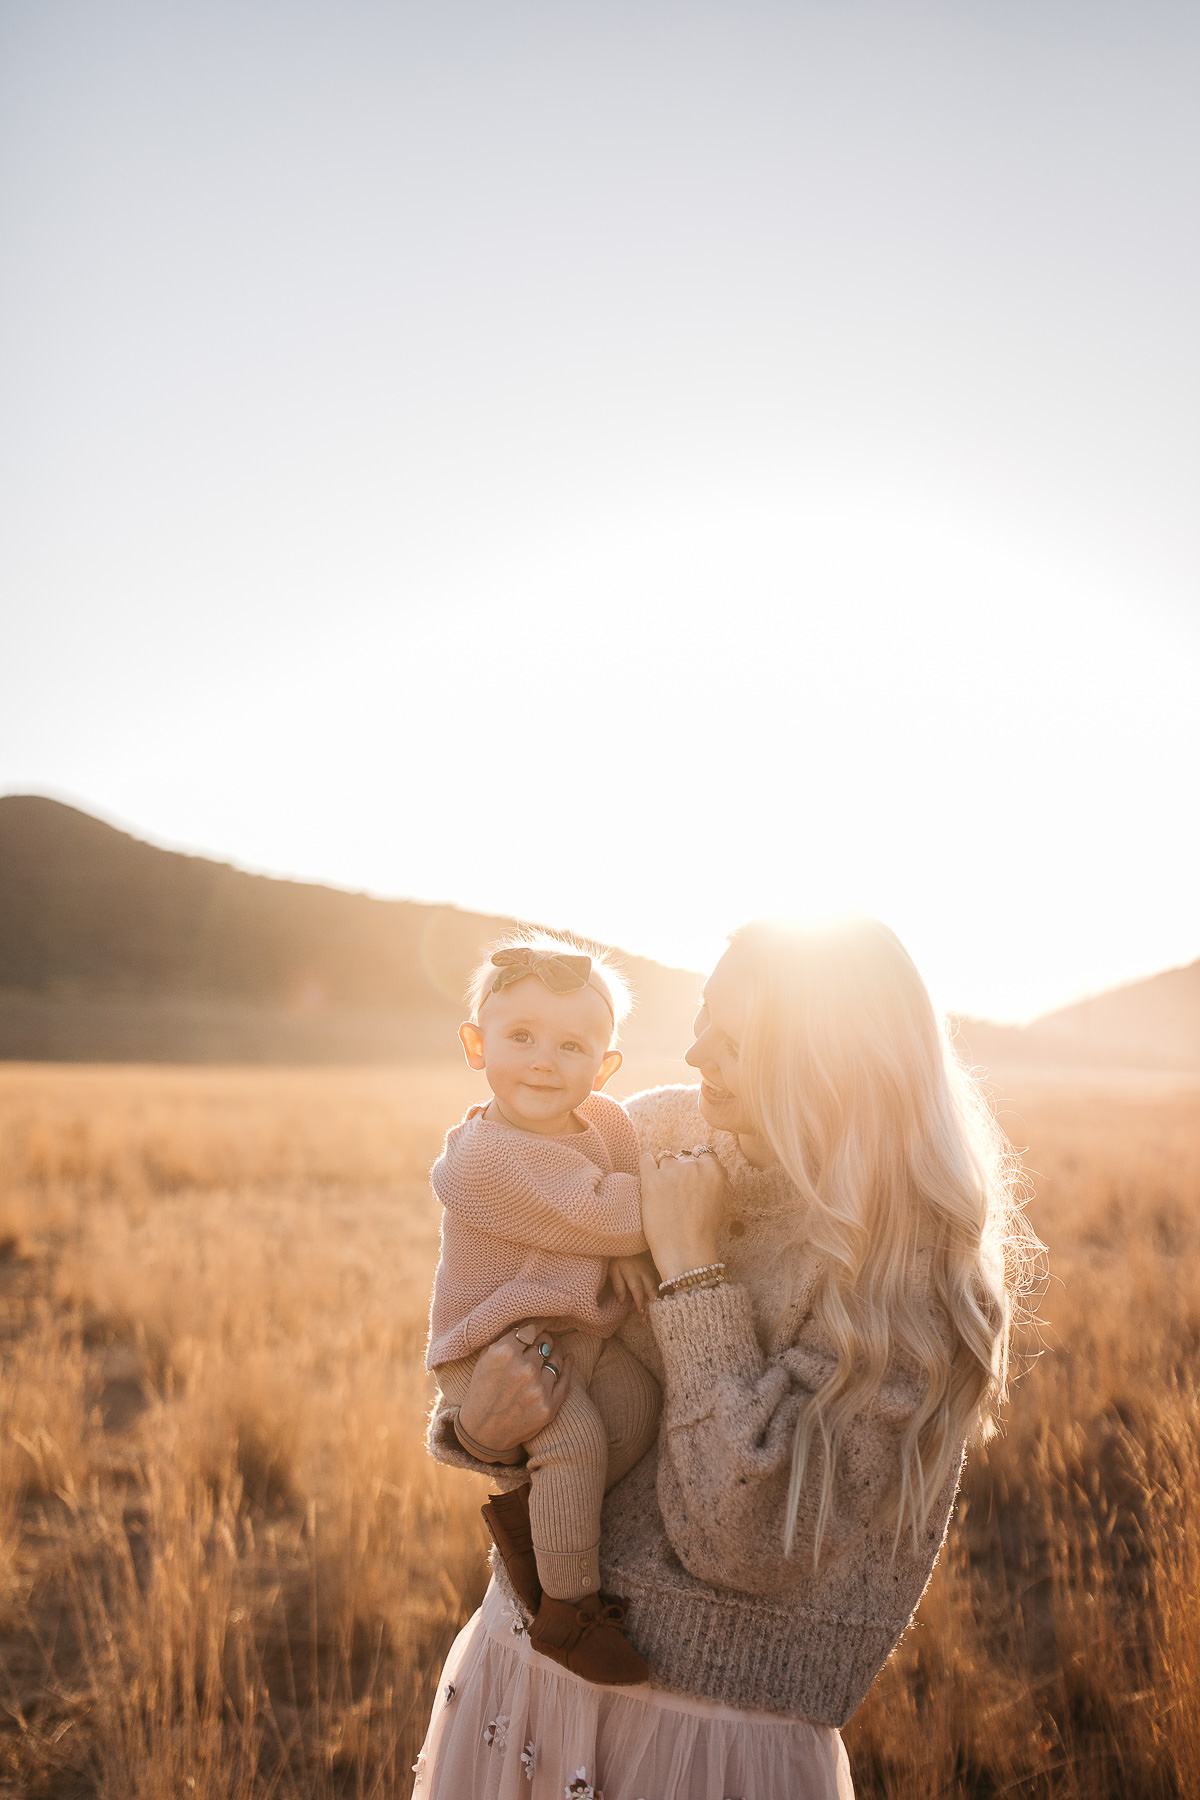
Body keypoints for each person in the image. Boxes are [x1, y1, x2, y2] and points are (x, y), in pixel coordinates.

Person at [413, 915, 1033, 1800]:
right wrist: (479, 1431)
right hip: (524, 1677)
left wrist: (694, 1272)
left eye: (736, 1044)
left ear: (826, 1062)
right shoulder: (654, 1130)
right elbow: (512, 1292)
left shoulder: (914, 1280)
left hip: (707, 1750)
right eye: (704, 1016)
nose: (696, 1052)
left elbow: (743, 1541)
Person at [427, 935, 663, 1684]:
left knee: (636, 1408)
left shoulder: (609, 1121)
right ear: (475, 1045)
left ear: (605, 1066)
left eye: (571, 1045)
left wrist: (624, 1245)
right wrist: (627, 1235)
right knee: (576, 1442)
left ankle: (542, 1522)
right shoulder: (488, 1159)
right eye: (520, 1037)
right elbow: (625, 1211)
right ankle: (567, 1610)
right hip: (500, 1350)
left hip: (574, 1335)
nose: (543, 1060)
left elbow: (622, 1183)